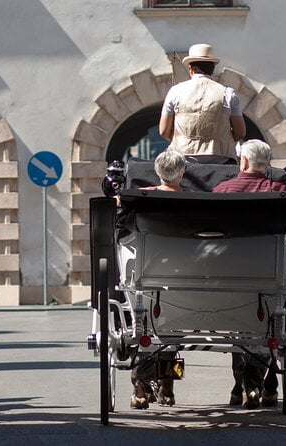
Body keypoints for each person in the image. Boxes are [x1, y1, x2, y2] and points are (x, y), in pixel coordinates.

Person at [213, 139, 286, 408]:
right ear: (267, 164)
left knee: (238, 324)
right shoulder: (279, 191)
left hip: (227, 274)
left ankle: (244, 382)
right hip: (270, 272)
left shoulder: (221, 191)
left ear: (242, 162)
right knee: (269, 321)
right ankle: (252, 382)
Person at [129, 149, 186, 409]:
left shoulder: (143, 198)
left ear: (156, 171)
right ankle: (167, 389)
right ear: (183, 173)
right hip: (185, 275)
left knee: (147, 329)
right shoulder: (194, 199)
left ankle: (141, 385)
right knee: (172, 332)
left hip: (148, 271)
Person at [159, 44, 246, 161]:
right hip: (220, 159)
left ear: (191, 68)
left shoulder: (175, 91)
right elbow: (240, 132)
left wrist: (182, 138)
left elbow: (164, 131)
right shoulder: (228, 93)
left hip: (183, 159)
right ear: (213, 69)